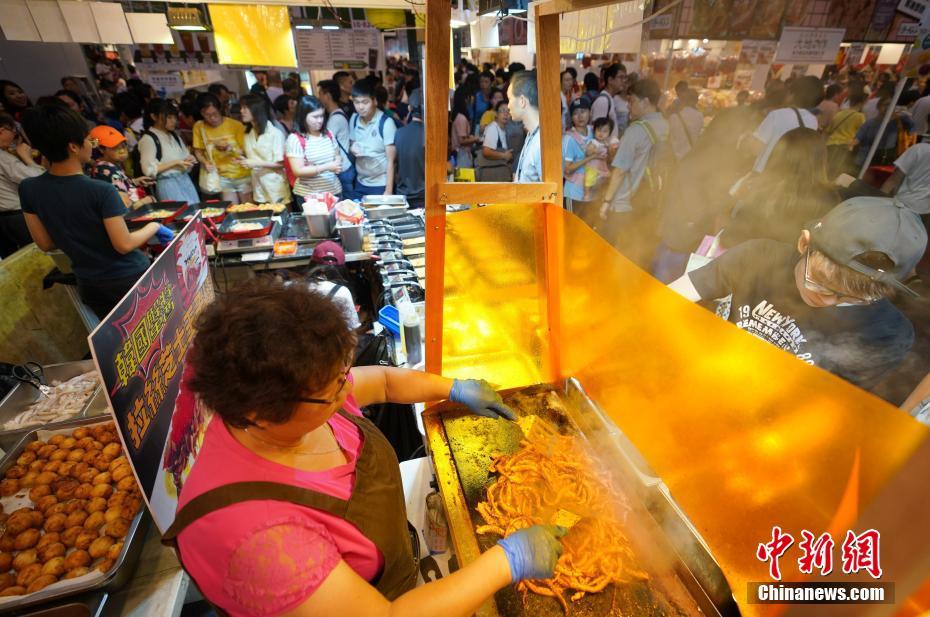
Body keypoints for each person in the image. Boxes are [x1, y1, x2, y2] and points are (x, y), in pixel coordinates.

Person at [168, 278, 566, 616]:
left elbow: (384, 382)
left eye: (342, 373)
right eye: (334, 387)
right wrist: (506, 561)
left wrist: (454, 388)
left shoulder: (302, 400)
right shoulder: (258, 538)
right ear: (264, 413)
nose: (347, 386)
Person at [668, 197, 926, 392]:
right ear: (804, 244)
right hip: (702, 377)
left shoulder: (888, 333)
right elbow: (670, 299)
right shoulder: (758, 256)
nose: (827, 301)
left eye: (850, 298)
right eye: (819, 282)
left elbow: (832, 403)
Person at [19, 104, 172, 318]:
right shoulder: (100, 190)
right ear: (74, 146)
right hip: (129, 279)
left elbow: (45, 243)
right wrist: (155, 225)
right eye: (88, 139)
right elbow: (124, 244)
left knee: (121, 346)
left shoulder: (28, 188)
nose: (92, 144)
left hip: (89, 283)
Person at [720, 127, 837, 248]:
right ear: (821, 160)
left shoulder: (762, 188)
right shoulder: (830, 199)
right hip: (793, 265)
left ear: (778, 155)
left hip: (747, 261)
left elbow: (730, 238)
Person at [599, 78, 669, 243]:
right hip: (649, 198)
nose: (628, 106)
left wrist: (606, 201)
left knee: (610, 250)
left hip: (624, 202)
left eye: (631, 101)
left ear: (645, 101)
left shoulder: (636, 130)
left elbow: (620, 171)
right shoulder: (665, 124)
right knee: (636, 248)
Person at [742, 75, 820, 172]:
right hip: (788, 177)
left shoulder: (777, 115)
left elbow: (755, 149)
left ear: (792, 94)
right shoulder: (813, 121)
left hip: (765, 173)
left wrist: (748, 139)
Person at [138, 99, 199, 204]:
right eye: (169, 117)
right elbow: (148, 170)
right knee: (180, 217)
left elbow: (185, 157)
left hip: (185, 180)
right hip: (167, 184)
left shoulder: (174, 136)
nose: (173, 121)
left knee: (195, 215)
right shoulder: (148, 139)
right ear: (154, 117)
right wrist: (175, 163)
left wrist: (190, 159)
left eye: (175, 117)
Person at [0, 113, 44, 257]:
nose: (14, 137)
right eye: (13, 132)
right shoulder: (3, 157)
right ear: (2, 130)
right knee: (36, 254)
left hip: (5, 218)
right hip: (16, 216)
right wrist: (27, 157)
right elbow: (36, 178)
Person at [193, 93, 251, 202]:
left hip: (243, 175)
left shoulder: (235, 125)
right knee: (233, 212)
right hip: (222, 177)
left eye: (215, 113)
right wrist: (205, 162)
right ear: (201, 113)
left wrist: (231, 148)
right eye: (207, 115)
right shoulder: (199, 127)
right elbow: (198, 151)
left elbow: (245, 152)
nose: (212, 118)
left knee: (250, 210)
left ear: (220, 110)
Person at [286, 95, 342, 204]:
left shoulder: (328, 134)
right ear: (303, 116)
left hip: (334, 191)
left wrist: (337, 163)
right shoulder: (295, 139)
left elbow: (337, 154)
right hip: (309, 196)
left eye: (322, 116)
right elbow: (298, 170)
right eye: (315, 117)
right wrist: (327, 167)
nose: (320, 120)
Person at [237, 94, 290, 205]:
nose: (241, 111)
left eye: (245, 108)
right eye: (241, 108)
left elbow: (281, 163)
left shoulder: (274, 133)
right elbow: (253, 158)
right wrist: (243, 160)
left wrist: (255, 163)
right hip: (258, 184)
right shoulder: (248, 133)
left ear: (256, 109)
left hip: (275, 185)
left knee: (281, 217)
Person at [88, 125, 155, 211]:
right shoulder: (108, 170)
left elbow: (117, 185)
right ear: (101, 149)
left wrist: (134, 182)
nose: (122, 150)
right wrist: (146, 201)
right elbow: (125, 208)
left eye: (123, 145)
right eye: (115, 147)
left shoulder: (103, 166)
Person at [349, 78, 397, 197]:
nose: (360, 107)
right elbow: (352, 144)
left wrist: (388, 191)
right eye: (356, 102)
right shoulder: (354, 119)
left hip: (380, 185)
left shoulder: (386, 123)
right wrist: (352, 147)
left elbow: (392, 160)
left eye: (365, 102)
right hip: (360, 182)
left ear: (374, 101)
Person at [317, 80, 355, 198]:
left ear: (327, 96)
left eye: (320, 94)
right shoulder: (336, 115)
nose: (319, 97)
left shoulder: (335, 119)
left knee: (346, 206)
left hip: (342, 169)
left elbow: (325, 144)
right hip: (344, 168)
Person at [852, 96, 914, 168]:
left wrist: (904, 116)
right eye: (886, 104)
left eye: (891, 105)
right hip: (869, 158)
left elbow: (911, 128)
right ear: (878, 107)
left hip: (888, 157)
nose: (888, 107)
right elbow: (857, 138)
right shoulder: (869, 123)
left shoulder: (897, 121)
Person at [393, 89, 425, 209]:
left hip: (402, 197)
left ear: (409, 109)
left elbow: (395, 163)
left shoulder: (399, 133)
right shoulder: (430, 135)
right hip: (424, 197)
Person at [878, 142, 930, 216]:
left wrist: (878, 204)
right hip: (925, 212)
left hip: (902, 206)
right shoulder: (920, 149)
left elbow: (893, 180)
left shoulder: (919, 149)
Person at [508, 71, 541, 183]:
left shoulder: (542, 141)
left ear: (522, 101)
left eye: (510, 99)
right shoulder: (532, 134)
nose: (508, 106)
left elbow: (551, 195)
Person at [825, 90, 866, 179]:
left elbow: (829, 130)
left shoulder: (839, 113)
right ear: (861, 103)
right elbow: (862, 133)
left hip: (830, 144)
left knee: (825, 169)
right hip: (844, 147)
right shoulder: (860, 116)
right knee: (835, 172)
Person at [562, 99, 594, 204]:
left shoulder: (594, 131)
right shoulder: (569, 138)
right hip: (574, 194)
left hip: (593, 191)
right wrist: (591, 157)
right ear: (571, 117)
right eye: (575, 113)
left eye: (583, 111)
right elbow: (567, 169)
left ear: (590, 112)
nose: (580, 116)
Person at [475, 100, 513, 183]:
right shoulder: (493, 128)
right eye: (502, 111)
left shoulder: (504, 129)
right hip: (492, 175)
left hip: (499, 176)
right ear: (496, 114)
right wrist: (504, 156)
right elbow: (486, 151)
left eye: (508, 111)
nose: (506, 114)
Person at [583, 117, 619, 204]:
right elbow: (588, 151)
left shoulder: (607, 143)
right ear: (594, 130)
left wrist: (611, 149)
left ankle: (601, 195)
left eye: (605, 131)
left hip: (602, 167)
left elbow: (611, 157)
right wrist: (596, 151)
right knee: (589, 179)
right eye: (598, 130)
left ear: (609, 133)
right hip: (593, 167)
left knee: (605, 180)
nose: (601, 133)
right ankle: (586, 194)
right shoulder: (593, 142)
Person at [591, 64, 628, 138]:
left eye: (625, 77)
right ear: (610, 80)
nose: (624, 81)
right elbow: (597, 132)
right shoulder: (603, 101)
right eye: (621, 77)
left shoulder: (609, 98)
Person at [668, 88, 703, 161]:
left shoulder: (674, 117)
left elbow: (670, 136)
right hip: (691, 156)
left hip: (676, 156)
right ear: (696, 101)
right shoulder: (699, 116)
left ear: (682, 101)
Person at [450, 88, 479, 171]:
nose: (473, 98)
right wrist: (476, 138)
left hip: (460, 154)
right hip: (461, 155)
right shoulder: (461, 118)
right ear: (466, 98)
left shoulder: (459, 116)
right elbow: (462, 141)